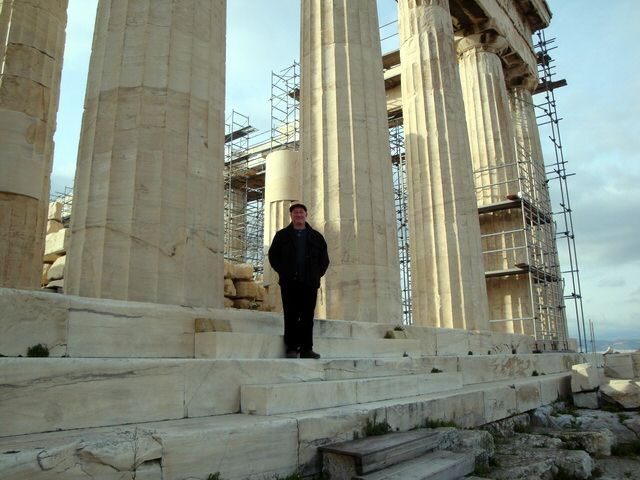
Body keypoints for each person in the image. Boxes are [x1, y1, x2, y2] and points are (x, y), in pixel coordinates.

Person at [268, 203, 329, 359]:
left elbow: (324, 260)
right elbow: (273, 256)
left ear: (306, 215)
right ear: (291, 215)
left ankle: (307, 349)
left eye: (301, 212)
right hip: (289, 283)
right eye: (295, 213)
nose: (299, 215)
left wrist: (316, 275)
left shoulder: (316, 237)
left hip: (309, 283)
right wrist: (283, 272)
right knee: (291, 315)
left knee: (307, 316)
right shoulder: (282, 235)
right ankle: (291, 348)